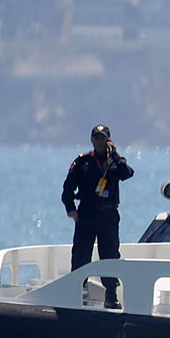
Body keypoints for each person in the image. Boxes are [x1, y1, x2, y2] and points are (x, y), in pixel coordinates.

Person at [62, 122, 134, 310]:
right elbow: (68, 188)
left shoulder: (116, 162)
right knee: (81, 253)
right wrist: (71, 209)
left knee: (110, 255)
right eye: (96, 137)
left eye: (103, 138)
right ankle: (78, 290)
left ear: (108, 140)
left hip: (108, 215)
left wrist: (116, 154)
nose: (99, 141)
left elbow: (127, 174)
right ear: (91, 139)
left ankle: (110, 295)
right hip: (87, 214)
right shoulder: (82, 162)